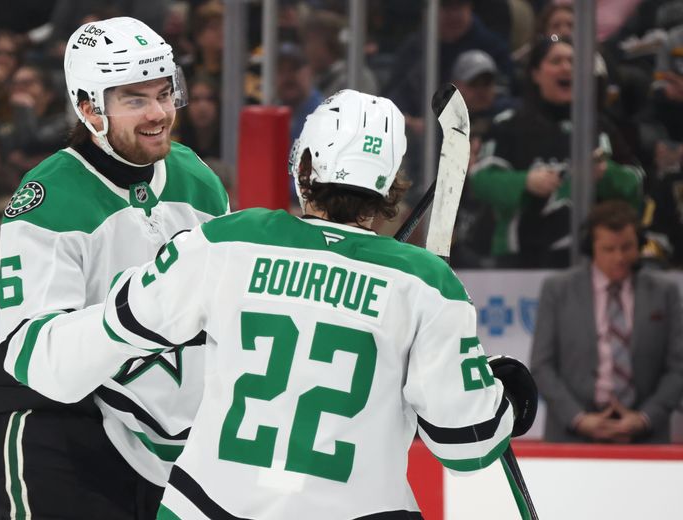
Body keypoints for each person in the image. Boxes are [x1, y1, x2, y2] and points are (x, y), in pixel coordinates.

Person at [85, 90, 514, 518]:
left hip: (205, 506)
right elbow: (468, 447)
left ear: (305, 165)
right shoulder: (425, 285)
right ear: (389, 183)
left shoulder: (227, 240)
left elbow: (122, 320)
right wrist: (507, 394)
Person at [0, 17, 229, 520]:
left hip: (166, 450)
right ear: (91, 108)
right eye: (135, 99)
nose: (160, 113)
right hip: (61, 434)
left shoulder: (198, 180)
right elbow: (38, 357)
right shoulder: (48, 198)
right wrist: (141, 312)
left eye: (164, 93)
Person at [471, 36, 643, 268]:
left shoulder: (600, 127)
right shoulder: (508, 125)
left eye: (572, 61)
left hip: (592, 260)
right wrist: (526, 182)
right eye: (556, 61)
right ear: (535, 73)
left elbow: (636, 182)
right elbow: (481, 180)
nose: (566, 67)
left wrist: (605, 174)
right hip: (519, 260)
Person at [531, 200, 683, 443]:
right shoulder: (558, 290)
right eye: (609, 249)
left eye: (627, 247)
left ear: (640, 244)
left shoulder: (664, 292)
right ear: (591, 249)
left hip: (646, 438)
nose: (619, 257)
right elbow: (541, 366)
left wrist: (644, 418)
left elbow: (678, 368)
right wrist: (579, 419)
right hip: (571, 438)